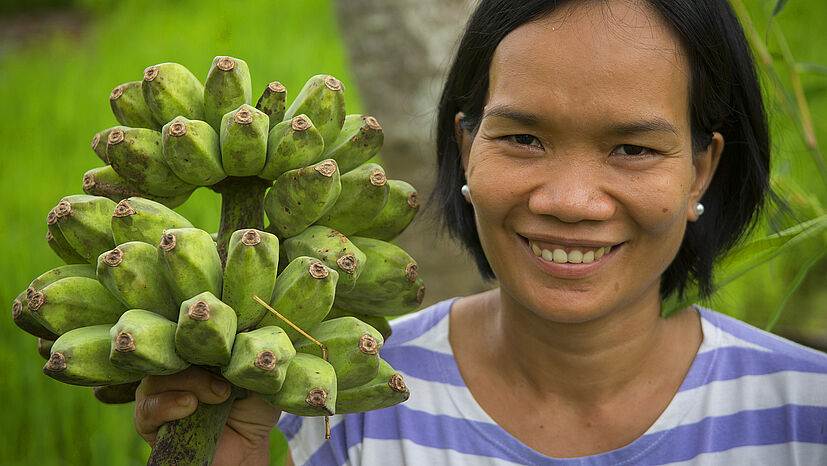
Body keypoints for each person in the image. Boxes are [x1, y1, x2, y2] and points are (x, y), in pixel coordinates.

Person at [135, 0, 827, 464]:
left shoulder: (804, 412)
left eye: (632, 150)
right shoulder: (339, 399)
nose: (568, 200)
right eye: (522, 137)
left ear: (702, 170)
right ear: (466, 146)